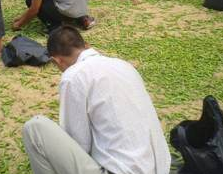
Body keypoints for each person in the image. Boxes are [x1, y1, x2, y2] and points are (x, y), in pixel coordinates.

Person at [22, 26, 171, 174]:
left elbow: (79, 143)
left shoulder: (73, 76)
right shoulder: (124, 65)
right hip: (160, 167)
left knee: (34, 127)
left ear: (57, 61)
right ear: (86, 45)